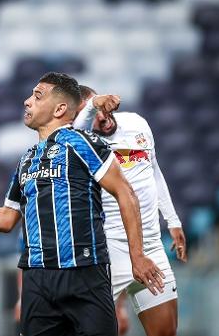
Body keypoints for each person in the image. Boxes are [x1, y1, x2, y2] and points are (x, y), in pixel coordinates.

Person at [0, 72, 164, 336]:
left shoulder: (83, 144)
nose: (27, 101)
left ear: (60, 108)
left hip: (85, 274)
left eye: (37, 95)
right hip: (38, 280)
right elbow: (5, 218)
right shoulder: (27, 159)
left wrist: (137, 255)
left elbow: (126, 193)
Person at [74, 85, 188, 336]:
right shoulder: (82, 142)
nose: (102, 118)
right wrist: (93, 106)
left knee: (165, 333)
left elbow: (154, 170)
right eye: (95, 114)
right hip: (108, 252)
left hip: (151, 246)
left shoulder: (137, 123)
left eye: (103, 108)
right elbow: (77, 128)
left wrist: (172, 220)